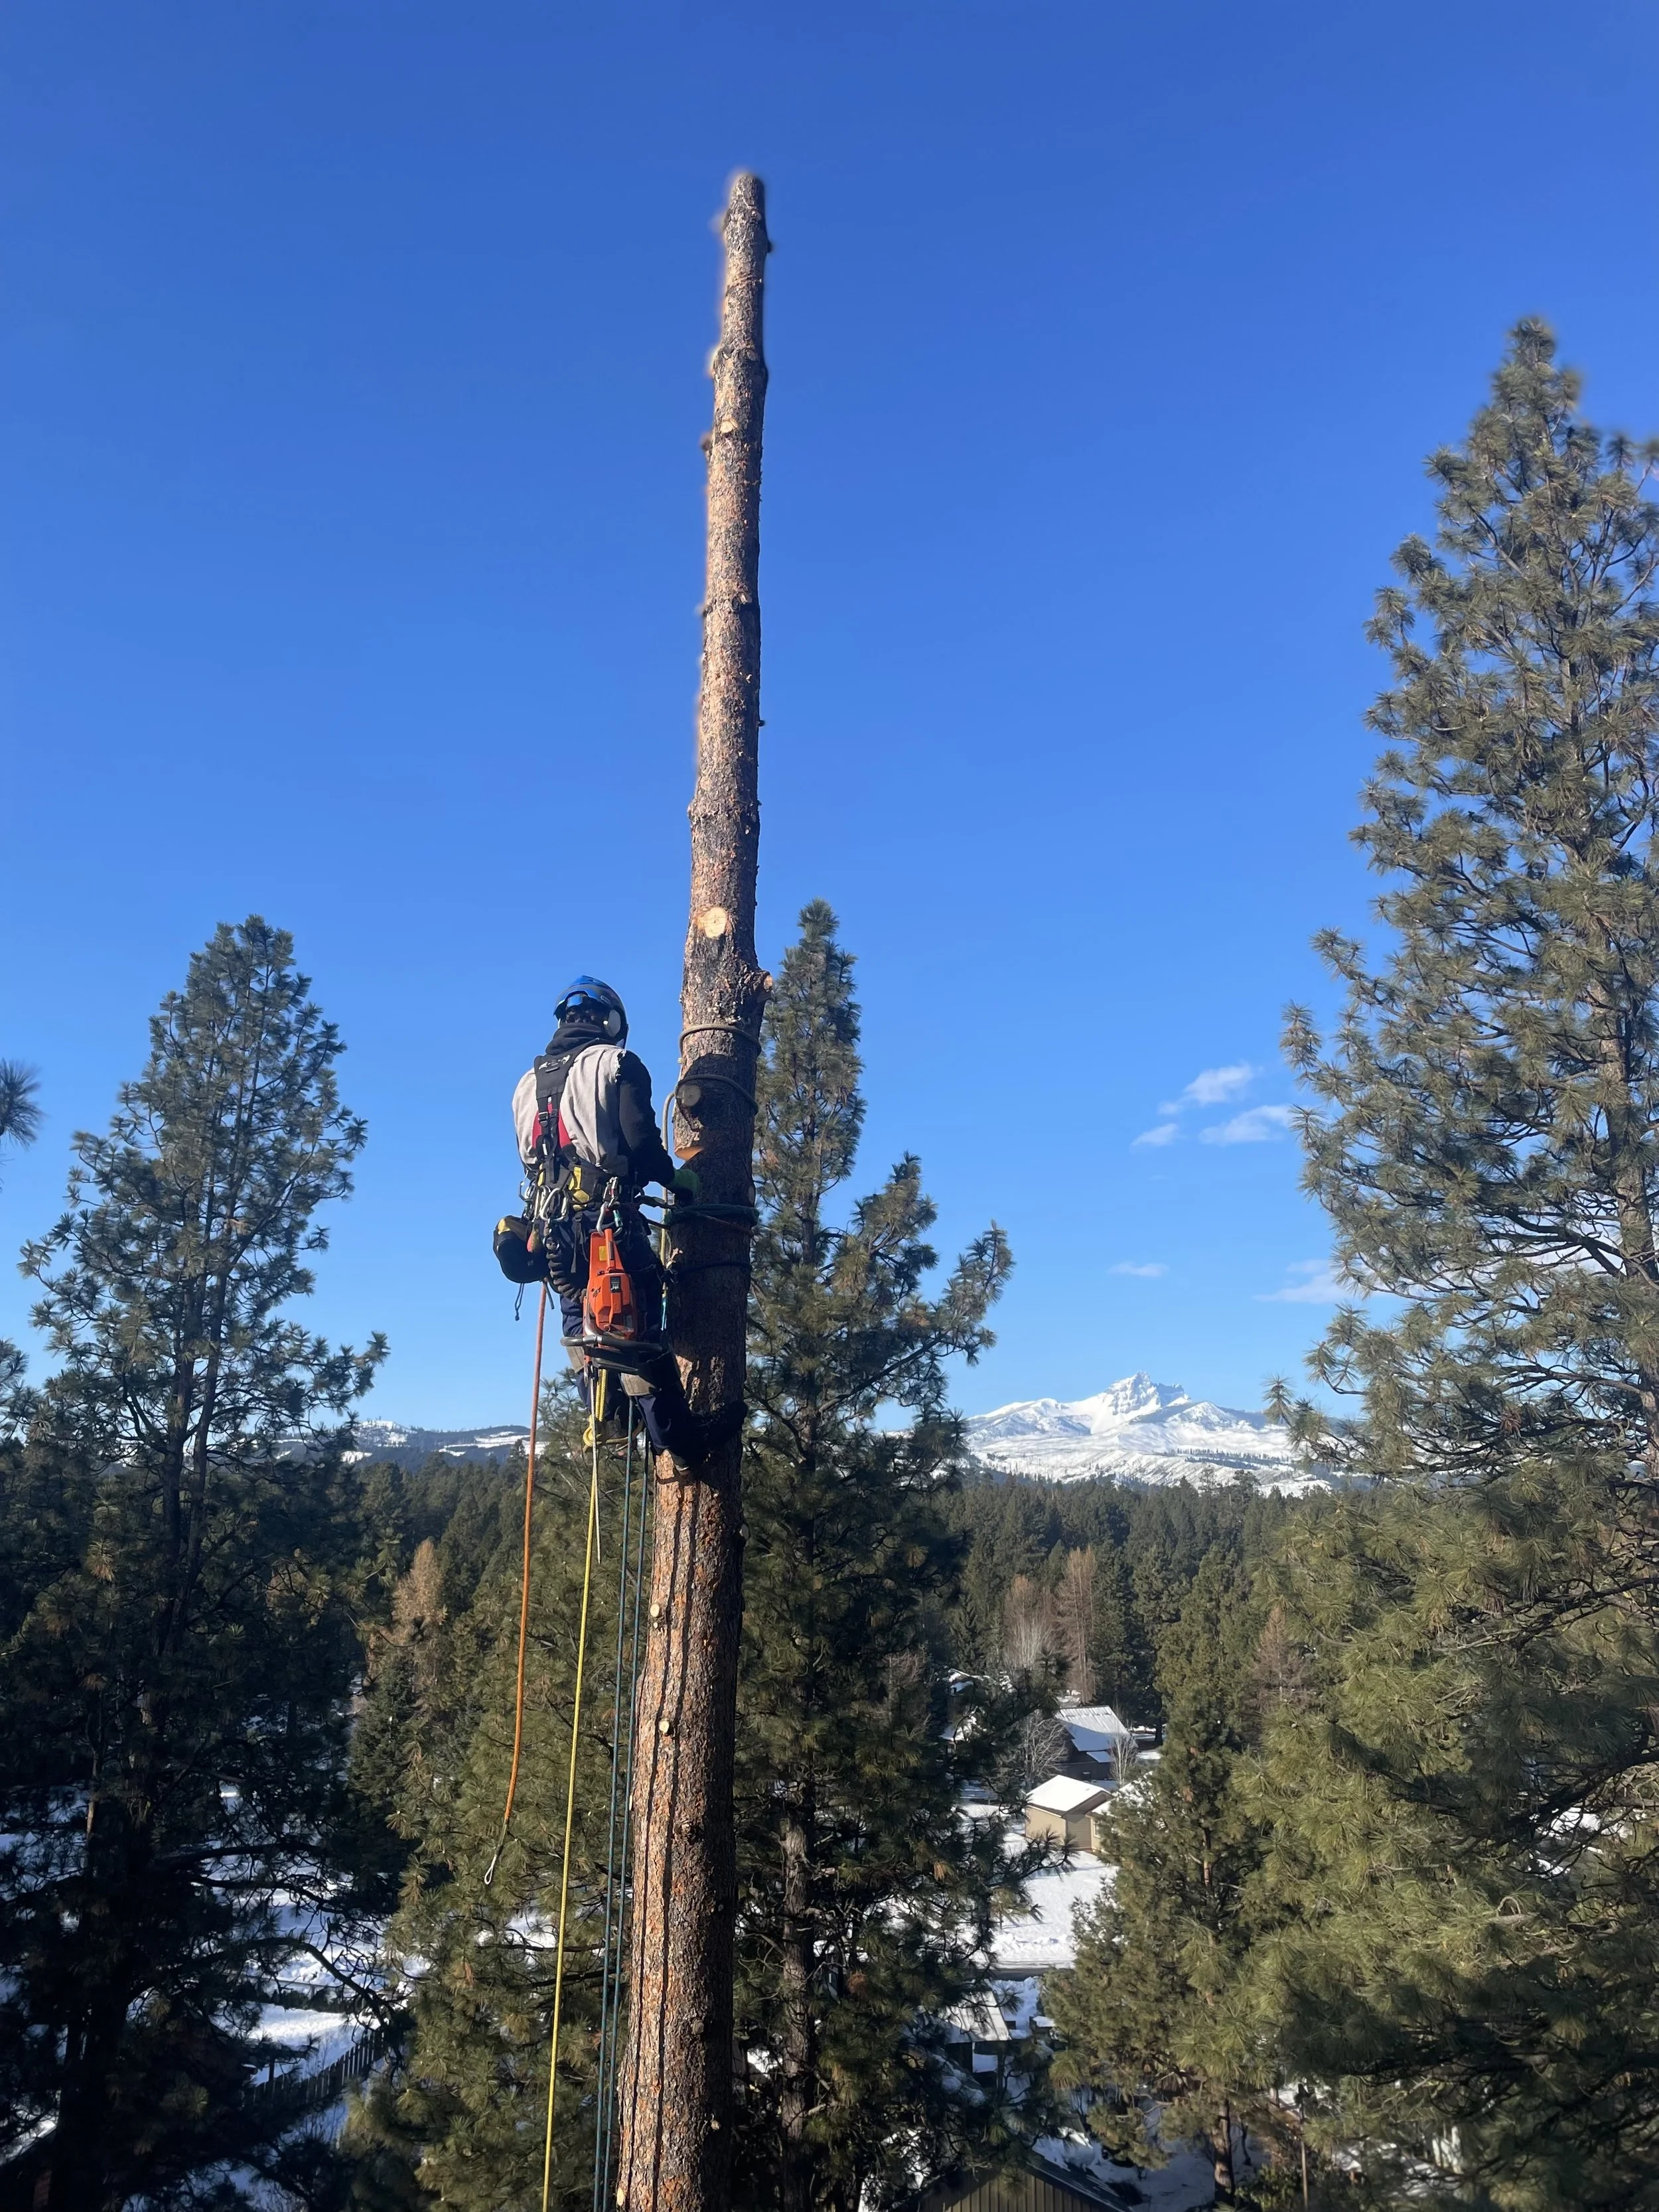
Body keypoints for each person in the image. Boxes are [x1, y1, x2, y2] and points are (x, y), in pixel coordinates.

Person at [512, 976, 745, 1471]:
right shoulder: (617, 1065)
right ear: (611, 1022)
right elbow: (641, 1146)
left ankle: (609, 1413)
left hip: (555, 1230)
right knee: (637, 1330)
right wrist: (679, 1181)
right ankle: (680, 1442)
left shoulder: (526, 1085)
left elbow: (531, 1161)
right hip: (606, 1225)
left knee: (582, 1326)